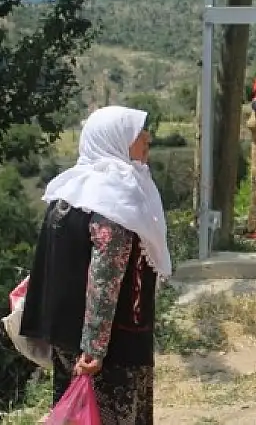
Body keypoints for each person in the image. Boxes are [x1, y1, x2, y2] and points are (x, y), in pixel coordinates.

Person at [20, 106, 171, 425]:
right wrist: (94, 348)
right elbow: (105, 278)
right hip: (111, 348)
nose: (147, 138)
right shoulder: (114, 200)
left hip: (65, 338)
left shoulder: (68, 193)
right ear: (115, 140)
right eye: (138, 133)